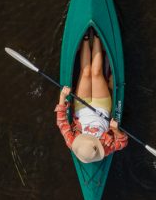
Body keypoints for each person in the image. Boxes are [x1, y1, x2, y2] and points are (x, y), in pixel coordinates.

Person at [55, 33, 128, 162]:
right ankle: (98, 37)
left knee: (87, 72)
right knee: (96, 72)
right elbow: (122, 143)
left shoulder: (72, 142)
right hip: (102, 107)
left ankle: (85, 39)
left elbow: (61, 122)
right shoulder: (104, 149)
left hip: (81, 106)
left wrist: (62, 97)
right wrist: (116, 131)